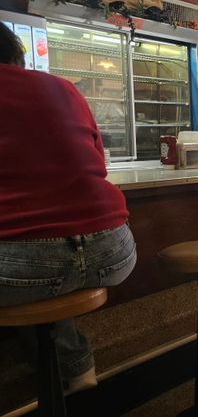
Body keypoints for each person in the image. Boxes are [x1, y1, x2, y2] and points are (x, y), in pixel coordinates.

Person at [0, 23, 136, 392]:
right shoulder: (62, 87)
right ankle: (80, 378)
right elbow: (99, 164)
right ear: (17, 55)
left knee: (35, 268)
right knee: (44, 278)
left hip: (26, 264)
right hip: (115, 250)